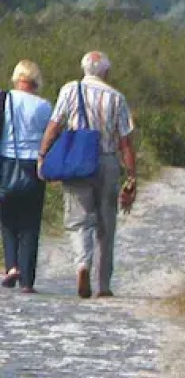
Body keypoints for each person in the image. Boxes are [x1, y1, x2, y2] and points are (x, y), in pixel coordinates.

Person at [38, 51, 136, 300]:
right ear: (105, 72)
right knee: (106, 224)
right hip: (107, 161)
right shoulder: (117, 97)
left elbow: (55, 125)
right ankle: (103, 285)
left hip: (78, 161)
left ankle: (82, 265)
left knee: (79, 221)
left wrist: (43, 155)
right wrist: (132, 178)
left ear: (84, 69)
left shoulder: (70, 90)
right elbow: (126, 142)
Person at [0, 60, 52, 294]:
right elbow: (48, 137)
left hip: (6, 162)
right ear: (36, 80)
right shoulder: (43, 106)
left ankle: (11, 266)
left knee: (7, 219)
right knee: (30, 223)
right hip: (34, 166)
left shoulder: (5, 99)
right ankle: (27, 281)